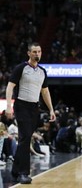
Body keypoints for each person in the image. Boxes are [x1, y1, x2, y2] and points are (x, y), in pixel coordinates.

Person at [5, 42, 56, 184]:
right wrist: (9, 106)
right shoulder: (21, 68)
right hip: (21, 105)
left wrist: (51, 109)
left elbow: (45, 91)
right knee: (26, 137)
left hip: (34, 108)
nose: (37, 54)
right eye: (34, 52)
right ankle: (23, 173)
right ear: (29, 53)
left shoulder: (42, 72)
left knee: (24, 139)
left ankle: (15, 170)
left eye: (39, 51)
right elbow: (10, 86)